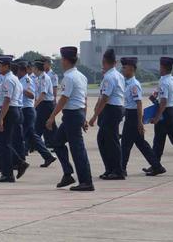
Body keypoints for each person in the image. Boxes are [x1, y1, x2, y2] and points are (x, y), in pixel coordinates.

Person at [45, 46, 94, 191]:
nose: (61, 62)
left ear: (66, 60)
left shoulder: (69, 77)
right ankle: (68, 174)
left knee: (77, 149)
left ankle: (86, 182)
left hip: (72, 115)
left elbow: (63, 99)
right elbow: (83, 99)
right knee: (57, 143)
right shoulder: (81, 76)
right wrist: (84, 117)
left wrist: (52, 117)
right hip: (76, 114)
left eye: (62, 59)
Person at [119, 56, 163, 176]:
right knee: (141, 144)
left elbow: (139, 103)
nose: (122, 69)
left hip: (133, 116)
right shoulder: (127, 83)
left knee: (125, 145)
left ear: (132, 68)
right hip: (130, 114)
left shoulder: (134, 85)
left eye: (124, 67)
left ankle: (121, 169)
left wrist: (139, 122)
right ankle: (157, 166)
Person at [88, 48, 126, 180]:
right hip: (116, 108)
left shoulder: (109, 77)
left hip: (111, 109)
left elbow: (105, 98)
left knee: (111, 141)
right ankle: (110, 169)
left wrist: (94, 116)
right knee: (104, 140)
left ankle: (117, 170)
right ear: (114, 62)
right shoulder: (118, 75)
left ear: (104, 62)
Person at [0, 55, 26, 183]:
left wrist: (0, 118)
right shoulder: (13, 78)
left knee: (4, 144)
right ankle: (18, 163)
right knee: (4, 143)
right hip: (14, 110)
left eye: (0, 66)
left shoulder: (8, 80)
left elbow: (7, 100)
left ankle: (8, 174)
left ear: (7, 66)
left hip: (9, 111)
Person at [30, 59, 57, 167]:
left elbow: (42, 95)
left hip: (45, 105)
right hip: (42, 105)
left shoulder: (45, 78)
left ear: (37, 69)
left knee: (38, 130)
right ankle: (47, 155)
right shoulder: (38, 78)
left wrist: (34, 106)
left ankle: (48, 154)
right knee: (43, 129)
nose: (32, 70)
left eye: (33, 68)